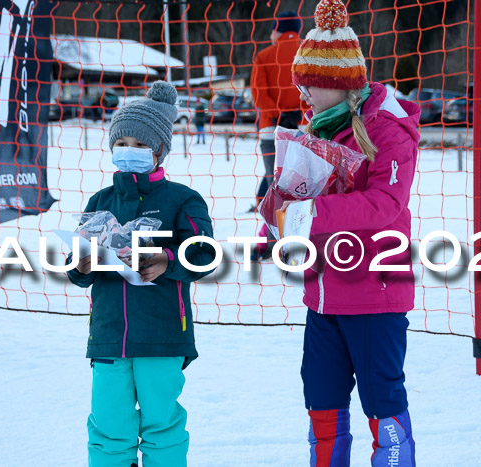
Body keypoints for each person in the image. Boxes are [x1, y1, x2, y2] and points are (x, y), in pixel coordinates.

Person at [286, 0, 421, 465]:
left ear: (337, 84)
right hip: (322, 294)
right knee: (321, 403)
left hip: (374, 294)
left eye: (309, 84)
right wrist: (281, 221)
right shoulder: (317, 129)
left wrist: (314, 214)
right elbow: (303, 203)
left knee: (382, 401)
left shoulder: (387, 130)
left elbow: (387, 203)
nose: (303, 94)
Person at [66, 80, 217, 467]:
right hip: (108, 336)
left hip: (163, 335)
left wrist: (167, 260)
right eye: (122, 143)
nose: (128, 151)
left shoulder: (182, 199)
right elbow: (78, 269)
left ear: (160, 150)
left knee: (161, 426)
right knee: (109, 428)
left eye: (139, 145)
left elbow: (205, 254)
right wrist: (81, 264)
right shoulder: (101, 201)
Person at [249, 10, 303, 259]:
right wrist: (297, 114)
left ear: (277, 29)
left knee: (274, 184)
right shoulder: (308, 52)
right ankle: (301, 238)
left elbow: (259, 93)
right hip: (304, 129)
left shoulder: (264, 55)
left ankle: (270, 240)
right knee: (302, 186)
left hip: (271, 129)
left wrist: (277, 114)